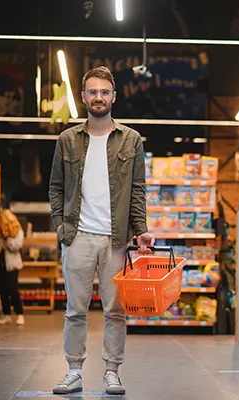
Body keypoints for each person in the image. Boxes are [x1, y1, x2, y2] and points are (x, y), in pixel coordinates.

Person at [49, 66, 155, 396]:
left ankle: (112, 372)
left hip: (115, 239)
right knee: (75, 310)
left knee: (115, 310)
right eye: (92, 91)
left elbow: (137, 189)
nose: (98, 97)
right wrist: (62, 227)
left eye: (104, 92)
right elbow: (55, 187)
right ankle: (74, 371)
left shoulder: (131, 139)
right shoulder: (67, 139)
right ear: (83, 97)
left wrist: (142, 231)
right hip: (77, 236)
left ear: (113, 97)